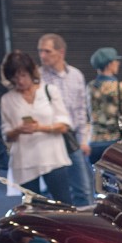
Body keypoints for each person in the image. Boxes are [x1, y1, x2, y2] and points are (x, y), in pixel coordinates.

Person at [0, 50, 73, 203]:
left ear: (31, 72)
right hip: (24, 161)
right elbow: (6, 134)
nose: (20, 81)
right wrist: (18, 130)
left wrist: (41, 128)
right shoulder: (7, 99)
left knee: (64, 204)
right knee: (32, 209)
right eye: (15, 77)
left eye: (23, 75)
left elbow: (64, 125)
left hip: (53, 158)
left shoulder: (49, 91)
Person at [38, 34, 93, 206]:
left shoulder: (76, 75)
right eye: (40, 51)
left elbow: (80, 110)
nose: (42, 55)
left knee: (82, 188)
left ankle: (87, 227)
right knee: (53, 190)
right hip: (48, 137)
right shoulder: (37, 77)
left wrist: (83, 140)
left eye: (47, 51)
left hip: (70, 137)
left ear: (60, 52)